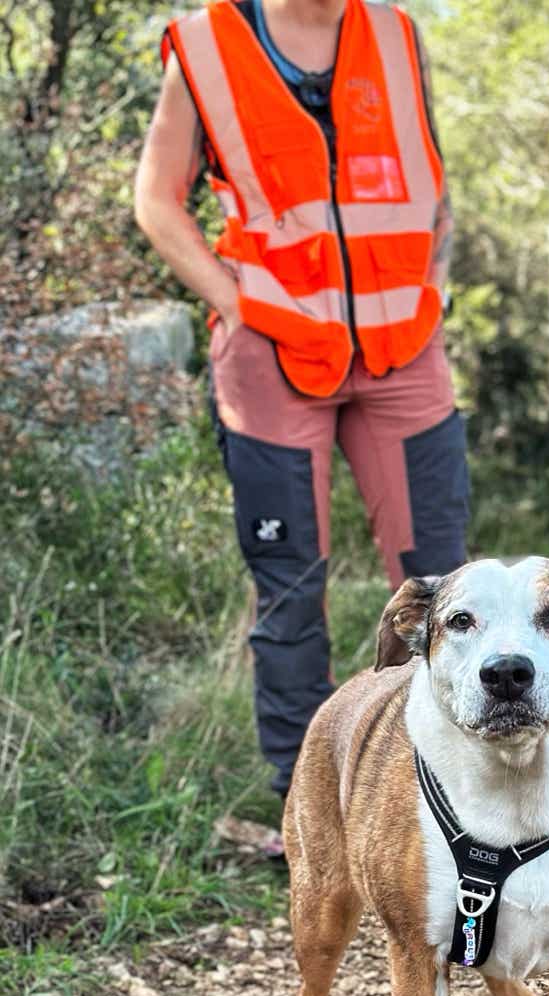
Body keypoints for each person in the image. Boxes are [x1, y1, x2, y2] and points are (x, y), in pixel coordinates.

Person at [135, 0, 469, 839]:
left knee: (441, 583)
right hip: (274, 353)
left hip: (403, 347)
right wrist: (233, 306)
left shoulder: (395, 33)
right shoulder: (207, 47)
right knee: (289, 586)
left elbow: (429, 185)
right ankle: (307, 808)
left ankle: (447, 783)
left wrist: (434, 285)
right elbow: (156, 200)